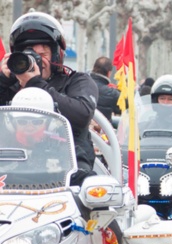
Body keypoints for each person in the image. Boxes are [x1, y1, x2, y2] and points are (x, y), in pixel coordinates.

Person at [0, 11, 98, 187]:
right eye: (28, 54)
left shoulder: (77, 80)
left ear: (56, 55)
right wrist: (2, 82)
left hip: (66, 174)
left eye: (43, 54)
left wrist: (35, 84)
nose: (36, 60)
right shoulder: (9, 86)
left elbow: (82, 115)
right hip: (9, 173)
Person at [89, 56, 120, 123]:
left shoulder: (82, 84)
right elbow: (124, 107)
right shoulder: (112, 93)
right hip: (103, 130)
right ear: (109, 73)